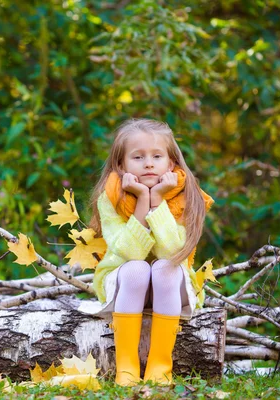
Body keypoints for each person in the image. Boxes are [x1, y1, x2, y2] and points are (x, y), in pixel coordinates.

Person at [80, 118, 214, 386]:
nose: (149, 163)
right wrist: (143, 199)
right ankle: (127, 367)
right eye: (138, 157)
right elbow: (129, 253)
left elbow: (174, 251)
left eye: (156, 156)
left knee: (164, 267)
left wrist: (158, 200)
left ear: (172, 163)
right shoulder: (112, 196)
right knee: (137, 269)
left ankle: (160, 367)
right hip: (124, 282)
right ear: (121, 165)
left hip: (171, 285)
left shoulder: (185, 196)